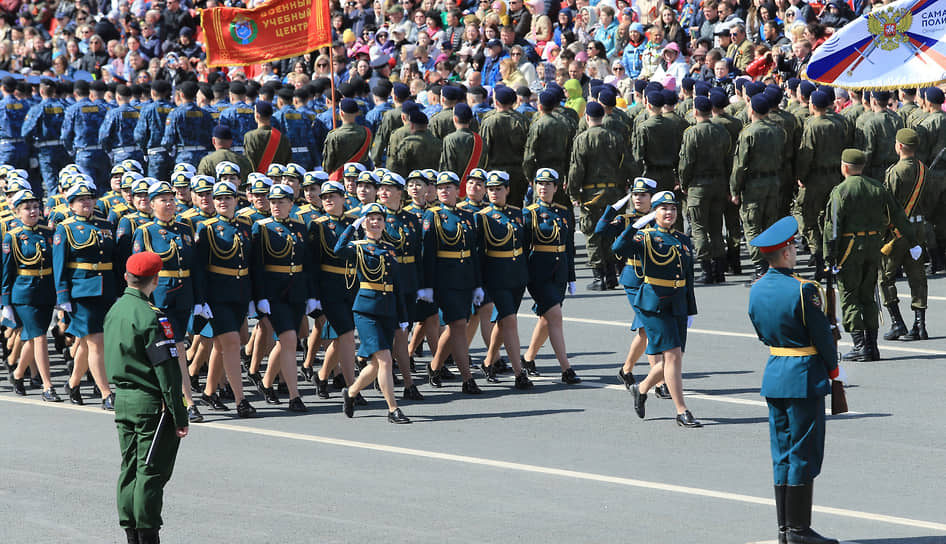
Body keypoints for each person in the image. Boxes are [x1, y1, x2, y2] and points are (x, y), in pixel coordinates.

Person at [747, 216, 842, 544]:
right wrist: (833, 370)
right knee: (803, 452)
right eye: (793, 246)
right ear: (785, 253)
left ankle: (785, 529)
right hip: (803, 377)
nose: (795, 250)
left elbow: (762, 332)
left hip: (775, 374)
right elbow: (823, 339)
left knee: (782, 453)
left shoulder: (756, 290)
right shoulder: (805, 290)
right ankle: (799, 531)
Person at [104, 251, 189, 544]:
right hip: (151, 403)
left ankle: (130, 532)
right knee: (150, 473)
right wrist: (180, 414)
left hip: (123, 399)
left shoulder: (116, 310)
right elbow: (167, 372)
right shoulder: (152, 316)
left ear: (127, 276)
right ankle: (147, 534)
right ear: (156, 279)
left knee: (129, 468)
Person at [823, 149, 917, 362]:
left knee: (850, 296)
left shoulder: (840, 191)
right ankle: (872, 346)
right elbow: (898, 215)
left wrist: (829, 258)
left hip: (849, 248)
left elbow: (833, 229)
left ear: (844, 167)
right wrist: (913, 241)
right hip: (874, 246)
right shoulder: (877, 187)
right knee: (868, 295)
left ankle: (859, 346)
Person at [618, 190, 701, 428]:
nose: (669, 212)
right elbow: (618, 246)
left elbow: (688, 278)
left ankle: (641, 388)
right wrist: (635, 227)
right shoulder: (645, 237)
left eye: (673, 208)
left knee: (673, 359)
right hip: (654, 302)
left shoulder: (683, 240)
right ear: (655, 212)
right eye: (663, 208)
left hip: (678, 303)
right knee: (673, 355)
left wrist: (691, 310)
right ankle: (682, 411)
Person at [132, 180, 203, 423]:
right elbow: (138, 272)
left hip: (183, 296)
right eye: (163, 200)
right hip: (159, 297)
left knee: (179, 347)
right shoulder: (144, 232)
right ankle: (180, 400)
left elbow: (194, 267)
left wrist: (200, 299)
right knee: (168, 350)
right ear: (152, 204)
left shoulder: (185, 228)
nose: (170, 203)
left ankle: (184, 399)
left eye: (172, 199)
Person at [334, 202, 411, 423]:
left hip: (388, 308)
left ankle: (350, 392)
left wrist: (404, 317)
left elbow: (397, 286)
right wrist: (352, 227)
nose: (375, 222)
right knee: (386, 360)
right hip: (366, 310)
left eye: (379, 219)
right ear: (364, 222)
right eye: (370, 218)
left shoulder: (389, 249)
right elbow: (338, 250)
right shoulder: (357, 246)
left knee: (376, 364)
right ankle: (393, 409)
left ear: (385, 223)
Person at [595, 178, 669, 397]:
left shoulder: (660, 219)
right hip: (634, 279)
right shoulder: (625, 219)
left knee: (644, 330)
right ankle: (658, 382)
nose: (638, 198)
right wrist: (613, 208)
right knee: (649, 328)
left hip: (655, 279)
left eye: (643, 194)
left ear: (652, 198)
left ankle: (626, 370)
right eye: (635, 194)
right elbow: (600, 231)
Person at [192, 180, 257, 417]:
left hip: (240, 293)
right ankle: (241, 399)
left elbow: (253, 263)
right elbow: (199, 268)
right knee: (231, 343)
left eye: (227, 198)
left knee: (222, 345)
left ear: (236, 201)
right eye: (218, 198)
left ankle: (209, 392)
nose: (221, 202)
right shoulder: (206, 228)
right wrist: (200, 300)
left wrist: (254, 297)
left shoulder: (246, 226)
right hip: (217, 295)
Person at [250, 183, 315, 412]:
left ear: (291, 204)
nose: (276, 206)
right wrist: (259, 297)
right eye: (273, 201)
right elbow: (256, 266)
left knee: (285, 341)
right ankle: (294, 396)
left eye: (281, 202)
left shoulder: (299, 226)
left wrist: (311, 295)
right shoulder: (261, 227)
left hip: (296, 291)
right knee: (289, 340)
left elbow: (307, 264)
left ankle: (267, 383)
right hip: (273, 293)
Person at [53, 181, 117, 408]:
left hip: (106, 291)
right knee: (97, 342)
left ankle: (72, 383)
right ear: (71, 205)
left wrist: (119, 291)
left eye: (89, 198)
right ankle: (106, 393)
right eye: (81, 200)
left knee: (90, 342)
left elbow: (114, 261)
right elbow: (59, 265)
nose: (87, 202)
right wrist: (63, 298)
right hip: (81, 293)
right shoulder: (66, 228)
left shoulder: (106, 225)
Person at [421, 170, 484, 393]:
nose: (444, 191)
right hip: (444, 279)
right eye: (440, 188)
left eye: (449, 187)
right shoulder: (433, 215)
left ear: (458, 190)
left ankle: (434, 365)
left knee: (458, 325)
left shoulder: (468, 216)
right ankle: (467, 379)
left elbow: (473, 253)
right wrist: (427, 285)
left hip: (465, 277)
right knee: (458, 325)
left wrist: (477, 283)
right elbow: (427, 253)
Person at [520, 168, 581, 384]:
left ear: (556, 187)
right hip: (539, 271)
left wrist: (572, 276)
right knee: (555, 316)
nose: (544, 188)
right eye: (540, 184)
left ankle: (527, 358)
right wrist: (524, 276)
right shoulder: (529, 213)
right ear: (535, 187)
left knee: (547, 319)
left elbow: (569, 246)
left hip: (560, 271)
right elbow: (524, 248)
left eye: (548, 184)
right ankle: (566, 369)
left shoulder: (564, 212)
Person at [475, 170, 533, 389]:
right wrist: (479, 284)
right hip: (495, 276)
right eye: (490, 189)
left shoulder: (519, 214)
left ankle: (489, 362)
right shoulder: (482, 217)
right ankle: (520, 373)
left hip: (517, 275)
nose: (494, 193)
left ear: (507, 190)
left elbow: (525, 246)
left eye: (498, 189)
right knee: (510, 321)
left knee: (504, 321)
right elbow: (479, 253)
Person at [2, 189, 59, 401]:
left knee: (33, 338)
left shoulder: (47, 233)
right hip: (24, 293)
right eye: (27, 208)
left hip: (45, 291)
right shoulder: (13, 236)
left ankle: (17, 375)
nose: (33, 211)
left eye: (35, 207)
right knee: (41, 337)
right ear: (17, 213)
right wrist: (5, 302)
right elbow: (7, 271)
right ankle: (48, 385)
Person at [878, 129, 929, 341]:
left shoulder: (895, 172)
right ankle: (920, 325)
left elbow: (887, 206)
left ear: (899, 146)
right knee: (917, 276)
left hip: (896, 233)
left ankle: (897, 322)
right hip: (918, 229)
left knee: (886, 277)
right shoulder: (924, 170)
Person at [568, 101, 625, 290]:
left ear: (586, 118)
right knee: (609, 232)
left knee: (592, 234)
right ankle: (611, 274)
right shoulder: (615, 137)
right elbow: (627, 163)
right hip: (613, 191)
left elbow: (576, 170)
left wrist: (574, 192)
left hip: (592, 192)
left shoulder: (582, 139)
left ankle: (598, 276)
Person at [731, 94, 786, 280]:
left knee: (752, 225)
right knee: (770, 224)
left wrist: (734, 189)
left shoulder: (748, 132)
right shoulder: (778, 130)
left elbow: (740, 165)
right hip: (774, 181)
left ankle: (760, 267)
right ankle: (772, 263)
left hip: (754, 184)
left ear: (752, 110)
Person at [678, 95, 732, 284]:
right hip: (719, 183)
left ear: (695, 111)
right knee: (717, 227)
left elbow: (686, 163)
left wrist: (683, 183)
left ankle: (707, 269)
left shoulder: (691, 133)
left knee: (699, 228)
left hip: (698, 186)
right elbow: (728, 160)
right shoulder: (721, 130)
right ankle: (720, 269)